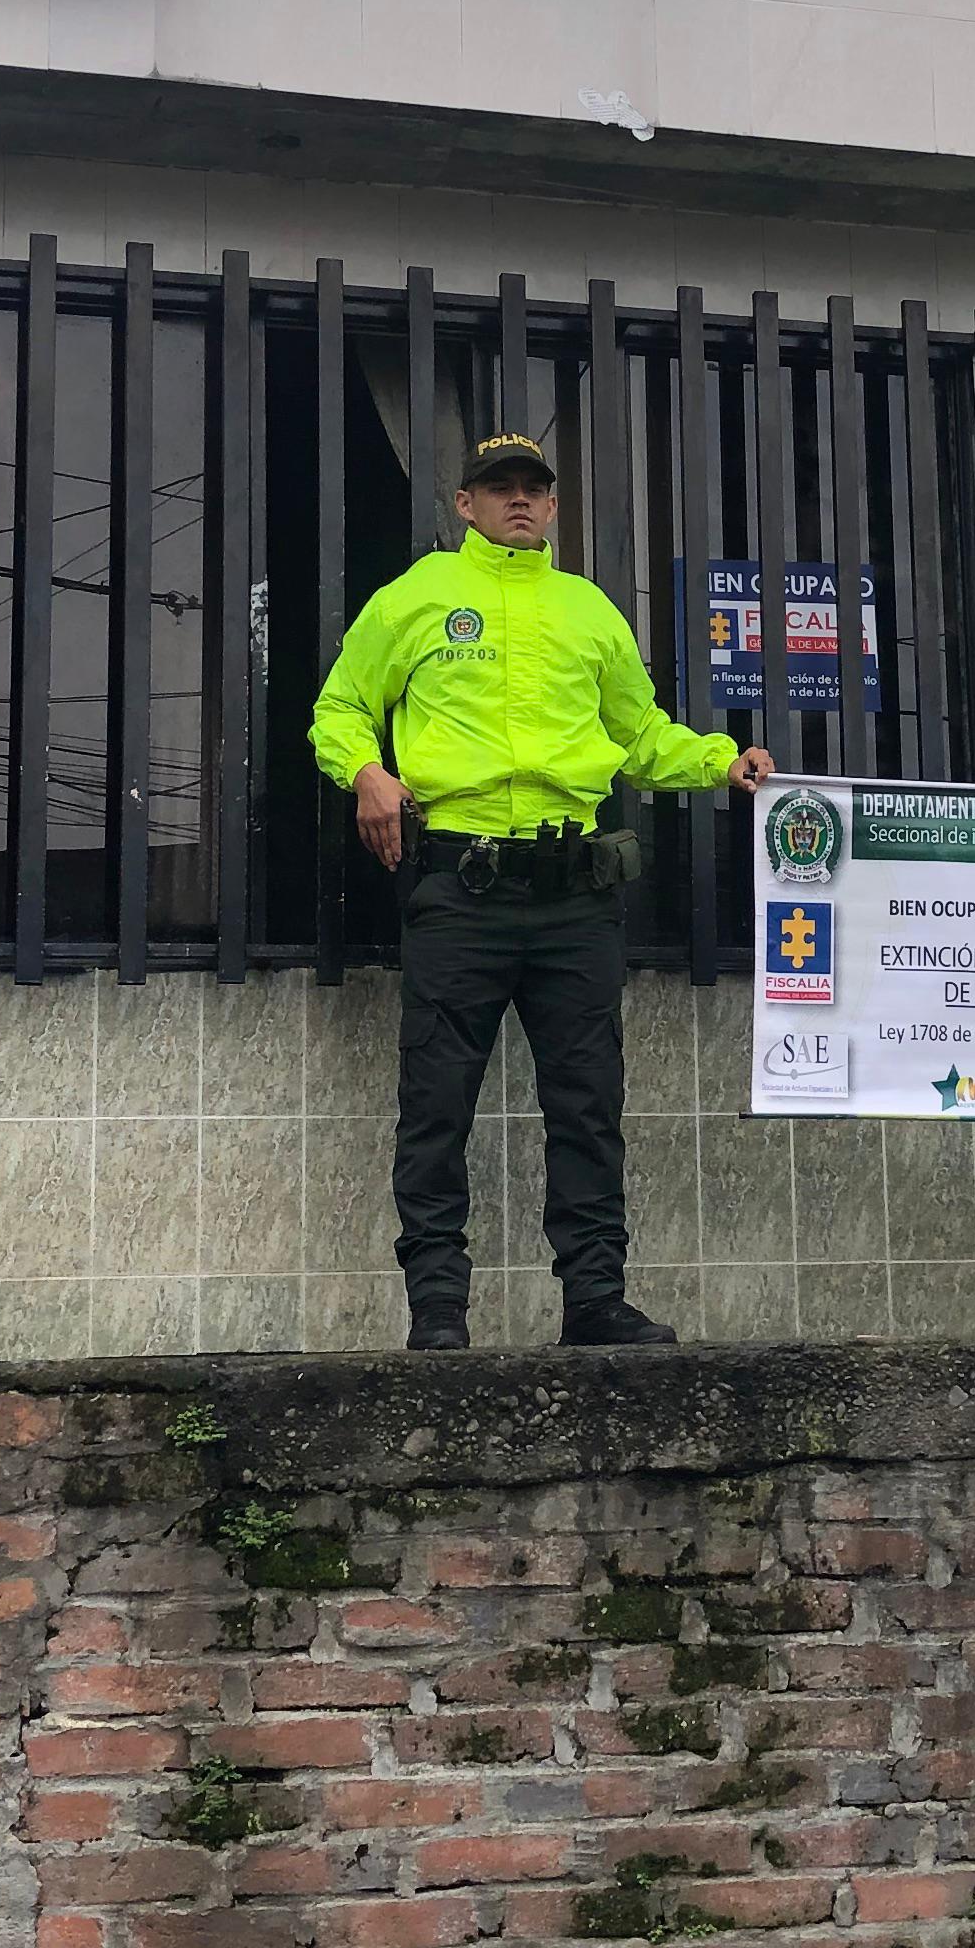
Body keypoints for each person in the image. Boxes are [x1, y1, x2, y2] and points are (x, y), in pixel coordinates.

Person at [310, 432, 773, 1349]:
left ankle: (595, 1302)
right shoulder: (417, 600)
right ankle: (438, 1311)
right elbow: (339, 708)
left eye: (534, 489)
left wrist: (725, 762)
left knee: (588, 1104)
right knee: (438, 1104)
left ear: (554, 507)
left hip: (576, 894)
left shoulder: (589, 611)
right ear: (466, 505)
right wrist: (365, 772)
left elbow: (641, 736)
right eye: (500, 488)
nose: (519, 501)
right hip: (458, 889)